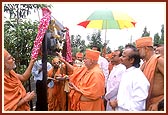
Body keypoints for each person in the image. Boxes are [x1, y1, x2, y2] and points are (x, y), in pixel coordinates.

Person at [110, 45, 150, 111]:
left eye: (123, 56)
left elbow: (138, 106)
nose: (120, 58)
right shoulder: (127, 72)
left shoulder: (138, 77)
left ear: (131, 60)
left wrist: (118, 103)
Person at [135, 37, 164, 111]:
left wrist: (159, 103)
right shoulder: (144, 64)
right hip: (148, 104)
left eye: (138, 50)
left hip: (159, 105)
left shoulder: (159, 61)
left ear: (146, 48)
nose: (137, 53)